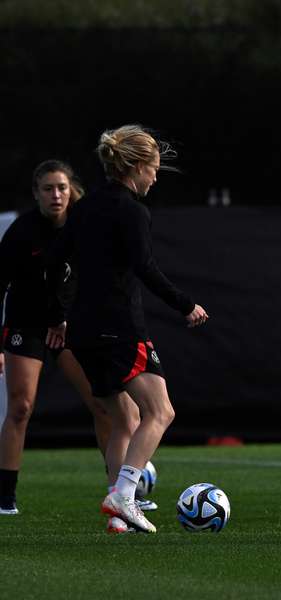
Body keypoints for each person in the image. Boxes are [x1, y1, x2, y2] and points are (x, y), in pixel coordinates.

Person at [46, 125, 209, 533]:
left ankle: (120, 515)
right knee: (161, 410)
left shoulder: (82, 208)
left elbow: (54, 263)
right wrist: (185, 305)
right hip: (118, 328)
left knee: (125, 419)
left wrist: (58, 314)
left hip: (82, 332)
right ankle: (123, 495)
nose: (155, 178)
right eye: (153, 169)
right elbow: (144, 267)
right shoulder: (132, 210)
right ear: (134, 167)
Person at [0, 160, 123, 516]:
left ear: (72, 191)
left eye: (62, 188)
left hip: (70, 327)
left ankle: (120, 491)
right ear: (36, 193)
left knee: (103, 403)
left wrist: (74, 318)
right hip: (28, 325)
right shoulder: (23, 231)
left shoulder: (84, 223)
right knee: (20, 408)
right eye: (48, 189)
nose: (56, 195)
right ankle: (5, 496)